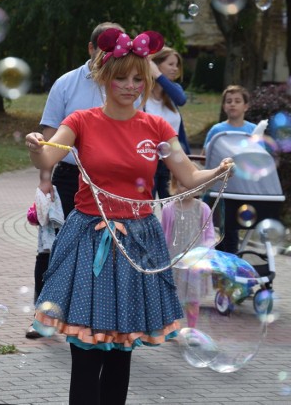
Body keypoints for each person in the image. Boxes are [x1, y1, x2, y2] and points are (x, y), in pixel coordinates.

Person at [24, 27, 234, 405]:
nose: (130, 85)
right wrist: (36, 148)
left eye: (139, 78)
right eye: (121, 77)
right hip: (88, 239)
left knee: (122, 350)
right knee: (86, 351)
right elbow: (49, 158)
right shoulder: (81, 121)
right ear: (104, 76)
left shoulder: (156, 127)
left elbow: (187, 176)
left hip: (139, 242)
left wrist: (217, 172)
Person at [25, 21, 126, 340]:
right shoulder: (67, 84)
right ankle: (43, 316)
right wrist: (46, 180)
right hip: (69, 177)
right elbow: (50, 136)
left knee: (105, 251)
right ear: (91, 49)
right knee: (52, 249)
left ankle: (94, 317)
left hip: (111, 182)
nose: (109, 58)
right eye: (104, 51)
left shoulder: (123, 84)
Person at [201, 85, 254, 253]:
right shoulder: (217, 130)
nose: (232, 104)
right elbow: (205, 157)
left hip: (240, 190)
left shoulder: (253, 130)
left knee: (231, 231)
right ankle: (219, 268)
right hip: (218, 190)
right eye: (229, 101)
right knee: (215, 230)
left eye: (237, 101)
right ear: (224, 106)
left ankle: (230, 267)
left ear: (246, 106)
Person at [161, 174, 216, 328]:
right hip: (175, 260)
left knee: (193, 298)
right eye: (181, 184)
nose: (185, 188)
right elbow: (164, 234)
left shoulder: (203, 208)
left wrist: (207, 252)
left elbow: (210, 234)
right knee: (172, 296)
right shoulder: (168, 208)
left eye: (190, 185)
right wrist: (162, 257)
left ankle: (192, 329)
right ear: (174, 186)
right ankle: (171, 328)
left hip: (195, 263)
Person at [145, 46, 191, 199]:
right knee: (146, 207)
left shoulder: (173, 90)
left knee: (173, 207)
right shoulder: (141, 93)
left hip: (172, 162)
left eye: (177, 65)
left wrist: (158, 76)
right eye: (170, 64)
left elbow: (181, 100)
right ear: (155, 65)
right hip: (148, 161)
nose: (175, 69)